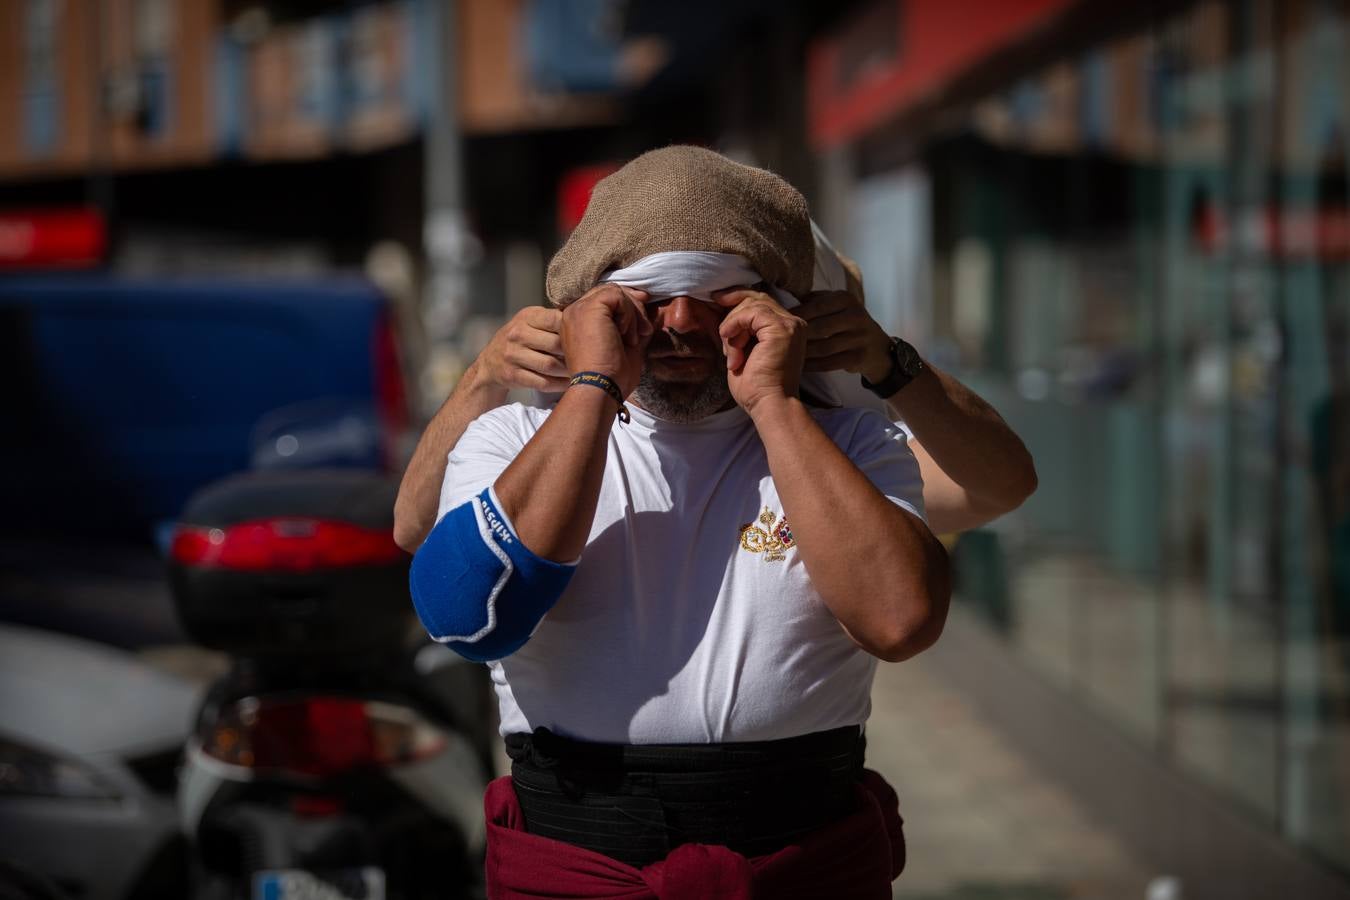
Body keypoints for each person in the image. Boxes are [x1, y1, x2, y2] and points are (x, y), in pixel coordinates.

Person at [403, 146, 1028, 899]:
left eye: (718, 296)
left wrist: (777, 402)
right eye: (647, 297)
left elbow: (901, 620)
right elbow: (467, 613)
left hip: (805, 861)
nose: (680, 322)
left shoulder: (851, 445)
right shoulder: (511, 441)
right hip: (579, 864)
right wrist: (595, 384)